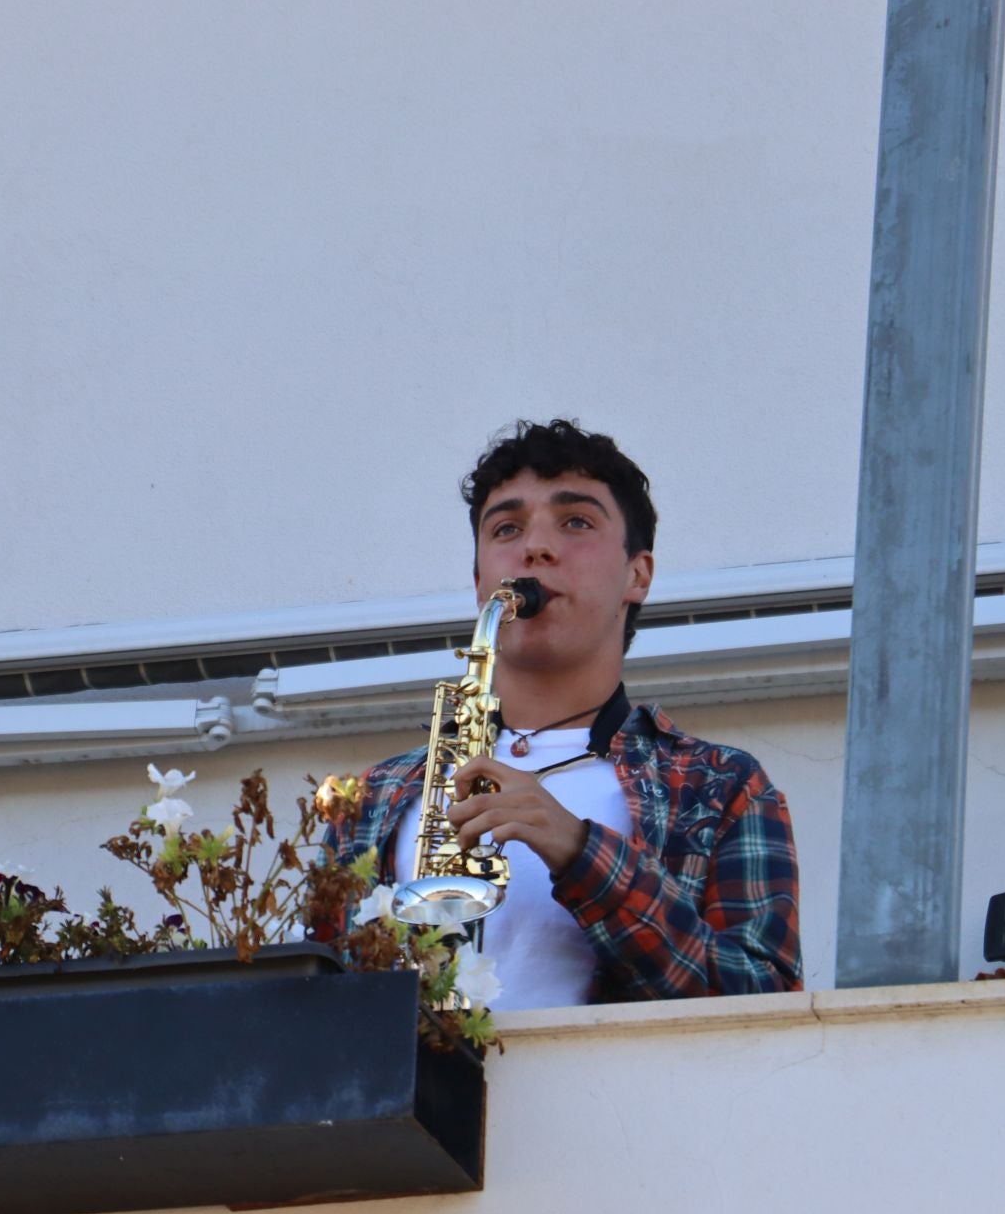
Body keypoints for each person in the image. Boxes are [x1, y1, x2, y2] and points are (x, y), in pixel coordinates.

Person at [327, 419, 801, 1006]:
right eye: (507, 528)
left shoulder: (721, 786)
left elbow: (765, 1007)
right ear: (479, 583)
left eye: (576, 521)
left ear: (637, 575)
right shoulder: (374, 795)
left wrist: (581, 852)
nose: (535, 548)